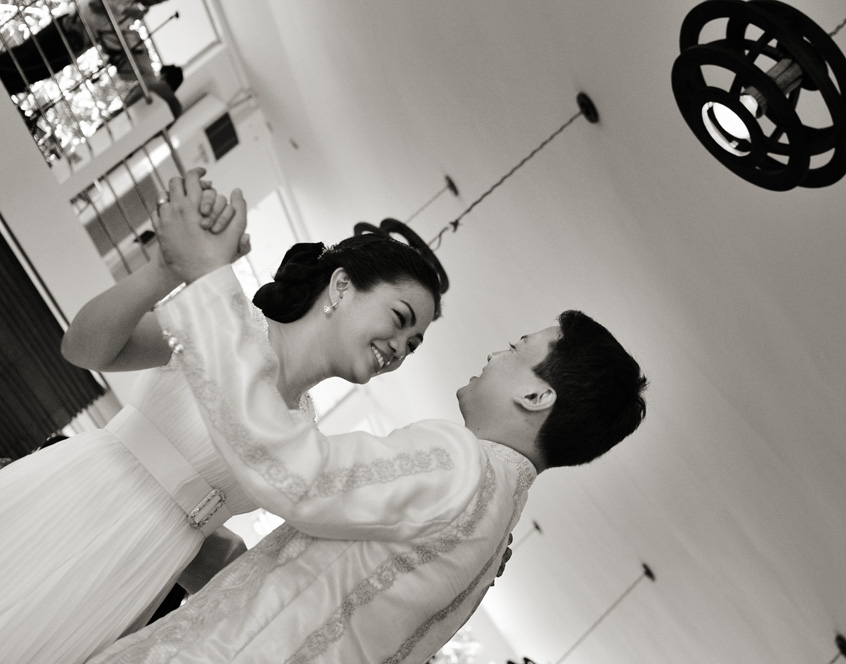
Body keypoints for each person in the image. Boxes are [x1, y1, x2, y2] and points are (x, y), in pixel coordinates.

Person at [88, 190, 648, 663]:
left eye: (515, 348)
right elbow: (323, 591)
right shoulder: (492, 544)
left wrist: (211, 280)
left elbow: (295, 473)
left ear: (536, 395)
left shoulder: (462, 465)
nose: (494, 355)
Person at [0, 170, 442, 664]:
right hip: (83, 500)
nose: (399, 349)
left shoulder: (305, 432)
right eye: (399, 320)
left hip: (147, 568)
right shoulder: (228, 326)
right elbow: (83, 348)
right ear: (342, 286)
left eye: (412, 345)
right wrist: (166, 269)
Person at [0, 0, 184, 118]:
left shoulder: (132, 13)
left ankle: (8, 87)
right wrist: (126, 10)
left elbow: (111, 38)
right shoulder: (127, 8)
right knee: (23, 57)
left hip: (76, 46)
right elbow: (95, 5)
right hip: (67, 29)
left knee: (36, 72)